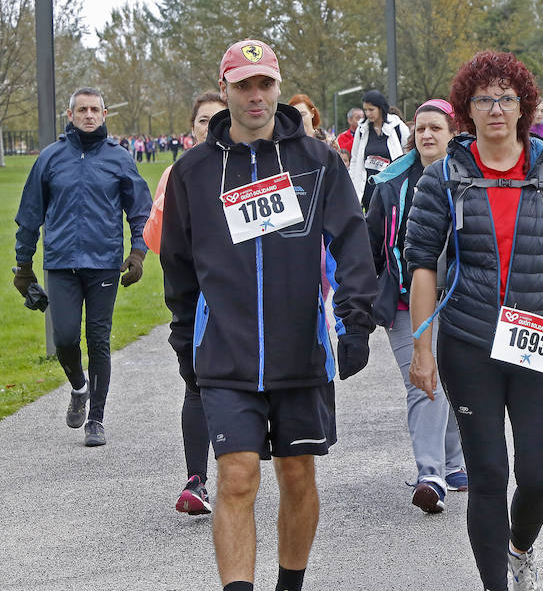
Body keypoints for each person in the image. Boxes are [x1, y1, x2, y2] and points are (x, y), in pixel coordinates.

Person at [160, 39, 377, 591]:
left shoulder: (317, 162)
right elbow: (179, 264)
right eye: (242, 85)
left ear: (278, 88)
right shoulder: (194, 172)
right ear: (225, 88)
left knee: (297, 475)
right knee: (235, 477)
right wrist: (186, 336)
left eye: (265, 84)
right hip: (227, 353)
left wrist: (355, 324)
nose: (255, 96)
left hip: (300, 349)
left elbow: (353, 244)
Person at [405, 49, 543, 591]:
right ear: (466, 110)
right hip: (469, 341)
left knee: (540, 476)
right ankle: (495, 582)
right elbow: (422, 264)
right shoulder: (444, 178)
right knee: (490, 474)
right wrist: (422, 348)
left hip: (538, 338)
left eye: (506, 98)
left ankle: (520, 547)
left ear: (524, 106)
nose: (496, 109)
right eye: (483, 99)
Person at [13, 87, 152, 447]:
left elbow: (140, 210)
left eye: (95, 109)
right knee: (64, 338)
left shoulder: (120, 159)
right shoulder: (50, 158)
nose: (89, 115)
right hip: (60, 264)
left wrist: (137, 253)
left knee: (98, 340)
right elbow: (30, 215)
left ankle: (96, 419)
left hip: (104, 264)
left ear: (104, 114)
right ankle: (78, 386)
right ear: (70, 114)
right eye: (82, 110)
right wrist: (23, 266)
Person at [365, 99, 466, 514]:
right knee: (423, 380)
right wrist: (364, 299)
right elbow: (368, 243)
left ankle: (456, 464)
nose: (427, 134)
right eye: (420, 128)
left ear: (452, 133)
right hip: (406, 302)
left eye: (435, 128)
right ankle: (431, 474)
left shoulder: (471, 177)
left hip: (461, 298)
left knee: (456, 380)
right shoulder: (390, 183)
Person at [142, 90, 226, 516]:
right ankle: (196, 481)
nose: (210, 127)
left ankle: (244, 468)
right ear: (191, 130)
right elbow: (155, 240)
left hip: (237, 300)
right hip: (192, 301)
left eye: (218, 119)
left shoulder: (245, 170)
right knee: (196, 384)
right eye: (202, 121)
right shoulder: (177, 174)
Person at [349, 89, 410, 211]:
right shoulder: (362, 129)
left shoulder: (398, 127)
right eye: (365, 110)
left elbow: (408, 154)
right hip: (368, 188)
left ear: (381, 108)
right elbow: (355, 159)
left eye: (371, 109)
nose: (368, 113)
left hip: (391, 186)